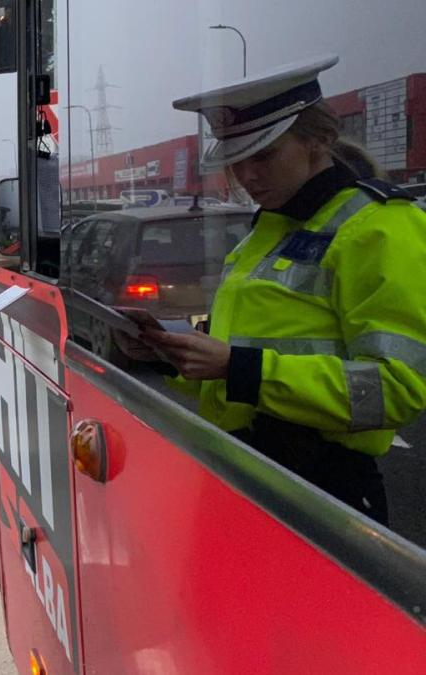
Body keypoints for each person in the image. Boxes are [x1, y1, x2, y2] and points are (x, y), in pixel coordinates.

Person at [144, 55, 426, 524]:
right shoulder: (272, 227)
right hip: (249, 469)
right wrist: (164, 354)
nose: (248, 177)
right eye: (236, 161)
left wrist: (243, 370)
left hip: (324, 489)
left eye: (265, 155)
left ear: (319, 140)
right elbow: (240, 359)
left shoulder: (381, 227)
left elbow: (395, 389)